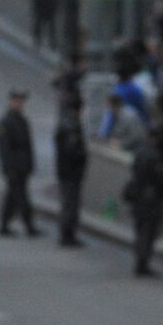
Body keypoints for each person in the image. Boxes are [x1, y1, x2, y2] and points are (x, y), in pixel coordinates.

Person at [123, 133, 163, 278]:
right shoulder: (155, 157)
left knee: (140, 230)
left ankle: (140, 259)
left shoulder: (139, 154)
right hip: (151, 200)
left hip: (138, 198)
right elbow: (160, 180)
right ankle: (143, 262)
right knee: (149, 232)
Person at [0, 89, 40, 237]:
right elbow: (4, 149)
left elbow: (28, 147)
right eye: (17, 101)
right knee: (21, 197)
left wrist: (30, 165)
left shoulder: (22, 121)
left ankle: (4, 225)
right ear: (11, 102)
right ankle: (29, 225)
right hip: (14, 167)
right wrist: (8, 168)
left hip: (23, 166)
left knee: (12, 197)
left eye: (21, 101)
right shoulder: (5, 122)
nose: (20, 104)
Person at [53, 95, 89, 247]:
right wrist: (82, 156)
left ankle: (67, 234)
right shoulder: (72, 126)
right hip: (71, 172)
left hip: (66, 171)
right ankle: (67, 235)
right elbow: (72, 150)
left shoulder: (65, 123)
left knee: (68, 203)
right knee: (70, 204)